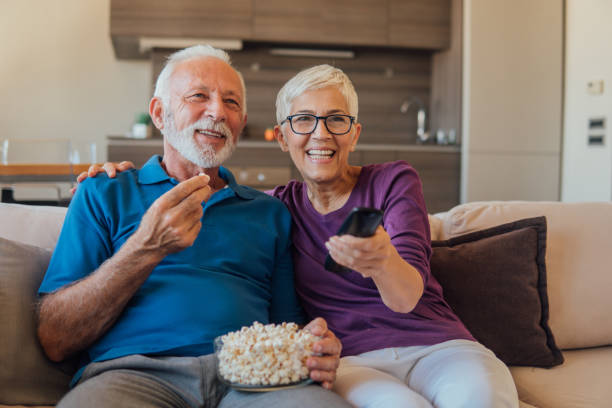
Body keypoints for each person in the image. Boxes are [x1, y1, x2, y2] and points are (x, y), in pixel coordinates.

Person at [81, 64, 520, 407]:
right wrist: (119, 174)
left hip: (437, 344)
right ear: (283, 136)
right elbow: (191, 169)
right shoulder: (275, 208)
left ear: (355, 133)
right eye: (304, 120)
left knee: (480, 398)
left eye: (336, 120)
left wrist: (383, 261)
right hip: (352, 361)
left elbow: (406, 299)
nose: (321, 134)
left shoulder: (393, 181)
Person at [36, 46, 350, 408]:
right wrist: (145, 248)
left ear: (241, 121)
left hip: (252, 380)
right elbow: (54, 338)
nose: (218, 111)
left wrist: (313, 348)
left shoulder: (269, 212)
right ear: (159, 113)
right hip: (133, 378)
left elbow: (287, 328)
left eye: (231, 103)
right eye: (199, 96)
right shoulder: (104, 192)